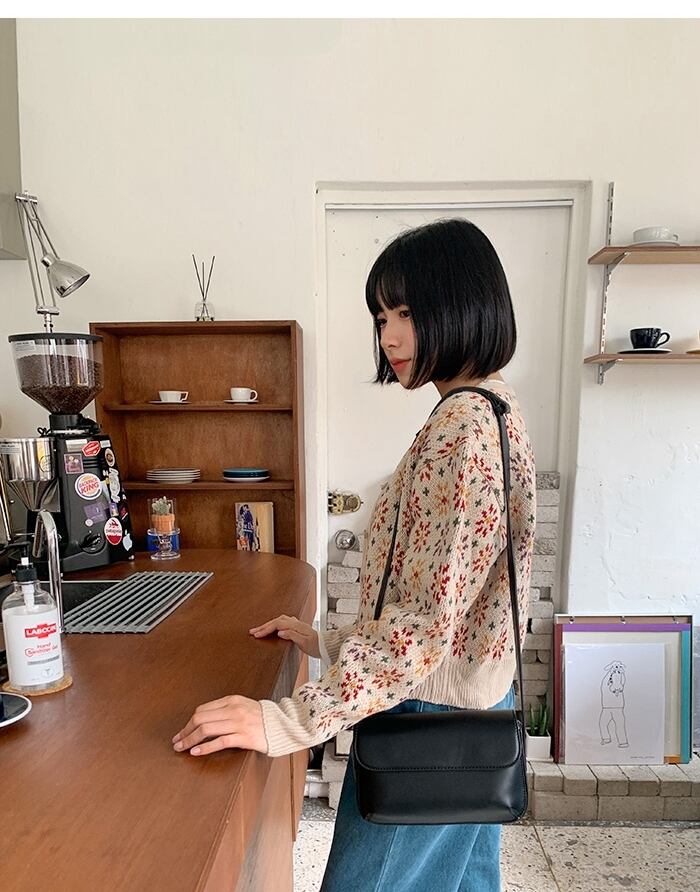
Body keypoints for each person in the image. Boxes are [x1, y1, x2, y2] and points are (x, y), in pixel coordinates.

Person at [172, 218, 536, 891]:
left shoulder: (461, 429)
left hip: (428, 720)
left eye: (407, 313)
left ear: (463, 304)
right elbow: (450, 605)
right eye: (381, 317)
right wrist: (327, 640)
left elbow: (424, 628)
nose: (389, 337)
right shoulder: (494, 406)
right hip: (469, 709)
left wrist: (286, 720)